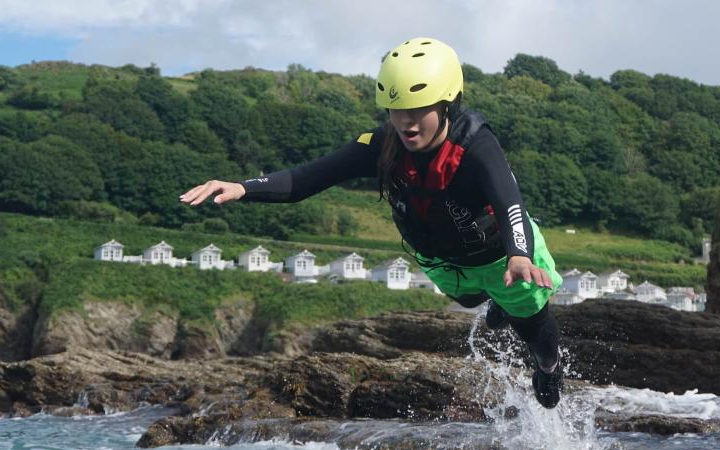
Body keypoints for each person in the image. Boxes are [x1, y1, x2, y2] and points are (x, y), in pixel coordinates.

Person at [179, 37, 564, 408]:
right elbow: (306, 178)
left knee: (535, 332)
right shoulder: (381, 145)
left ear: (449, 103)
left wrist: (519, 254)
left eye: (418, 110)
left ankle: (549, 368)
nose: (405, 122)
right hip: (442, 262)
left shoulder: (476, 146)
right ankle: (496, 302)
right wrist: (244, 187)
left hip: (504, 259)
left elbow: (510, 202)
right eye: (396, 110)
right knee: (468, 298)